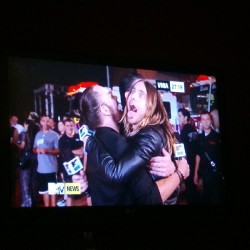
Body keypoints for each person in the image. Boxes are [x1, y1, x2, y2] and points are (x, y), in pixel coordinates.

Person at [74, 82, 189, 205]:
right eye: (111, 95)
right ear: (105, 109)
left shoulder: (98, 142)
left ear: (151, 105)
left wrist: (175, 167)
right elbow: (149, 197)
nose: (124, 96)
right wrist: (179, 172)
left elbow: (91, 197)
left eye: (140, 94)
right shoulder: (119, 143)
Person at [193, 111, 224, 204]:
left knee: (216, 198)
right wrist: (195, 174)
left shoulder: (217, 137)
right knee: (205, 198)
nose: (205, 122)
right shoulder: (199, 137)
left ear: (211, 121)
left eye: (207, 119)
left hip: (215, 174)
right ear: (201, 121)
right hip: (204, 174)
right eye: (203, 119)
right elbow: (197, 156)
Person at [58, 118, 86, 206]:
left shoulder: (79, 137)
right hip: (69, 173)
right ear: (64, 127)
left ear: (73, 126)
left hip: (82, 172)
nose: (70, 127)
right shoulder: (62, 140)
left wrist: (73, 151)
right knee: (70, 196)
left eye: (71, 125)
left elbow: (83, 152)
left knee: (86, 195)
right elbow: (67, 155)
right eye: (67, 126)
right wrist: (77, 153)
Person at [33, 115, 60, 207]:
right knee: (44, 191)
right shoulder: (38, 134)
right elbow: (34, 148)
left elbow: (58, 151)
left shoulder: (54, 135)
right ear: (40, 122)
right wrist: (36, 150)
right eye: (43, 121)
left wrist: (47, 151)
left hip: (51, 168)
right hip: (41, 169)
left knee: (53, 191)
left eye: (47, 121)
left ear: (50, 122)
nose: (45, 123)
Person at [177, 108, 199, 204]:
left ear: (186, 118)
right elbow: (196, 146)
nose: (178, 118)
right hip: (195, 161)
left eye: (180, 116)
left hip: (188, 163)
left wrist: (181, 164)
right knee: (193, 187)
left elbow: (181, 150)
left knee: (189, 189)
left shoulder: (183, 131)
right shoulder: (193, 129)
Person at [16, 119, 37, 207]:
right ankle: (33, 200)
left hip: (26, 158)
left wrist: (15, 143)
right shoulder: (35, 134)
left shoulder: (24, 133)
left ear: (27, 125)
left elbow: (22, 145)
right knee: (33, 180)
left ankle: (26, 202)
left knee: (24, 180)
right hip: (34, 158)